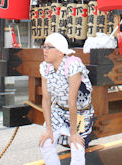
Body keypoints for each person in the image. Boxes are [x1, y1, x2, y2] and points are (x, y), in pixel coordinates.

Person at [38, 33, 94, 165]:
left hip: (80, 113)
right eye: (44, 46)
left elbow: (72, 100)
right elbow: (46, 99)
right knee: (46, 142)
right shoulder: (45, 67)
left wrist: (73, 133)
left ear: (60, 52)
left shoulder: (73, 65)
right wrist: (49, 129)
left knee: (77, 146)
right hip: (59, 111)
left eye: (49, 47)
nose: (44, 50)